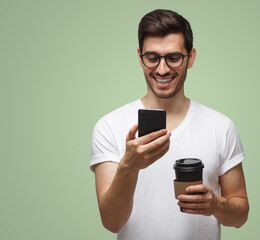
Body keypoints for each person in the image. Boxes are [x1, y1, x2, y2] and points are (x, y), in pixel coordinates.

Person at [90, 9, 249, 240]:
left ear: (190, 58)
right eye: (152, 57)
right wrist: (129, 167)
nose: (162, 69)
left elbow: (241, 215)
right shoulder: (109, 126)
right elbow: (111, 222)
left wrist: (216, 205)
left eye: (173, 58)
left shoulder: (221, 127)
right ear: (139, 57)